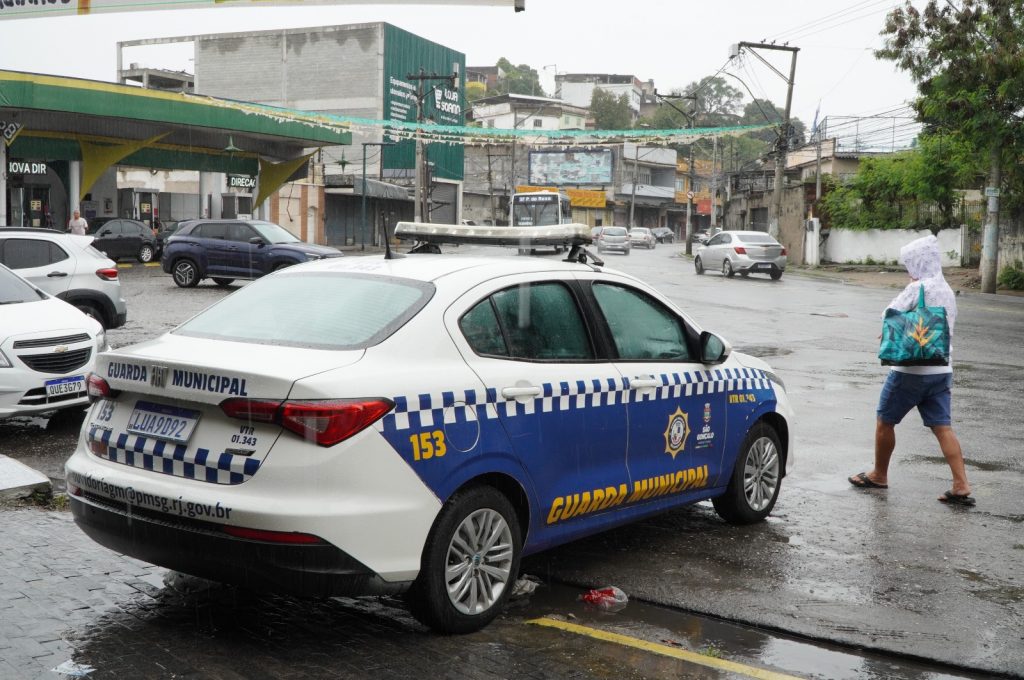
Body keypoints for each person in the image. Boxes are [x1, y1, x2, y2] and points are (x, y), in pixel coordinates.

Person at [848, 234, 975, 506]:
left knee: (885, 421)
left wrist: (910, 291)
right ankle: (961, 484)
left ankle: (879, 474)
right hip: (941, 370)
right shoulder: (947, 290)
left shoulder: (917, 288)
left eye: (910, 263)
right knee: (943, 428)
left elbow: (888, 314)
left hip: (910, 371)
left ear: (918, 262)